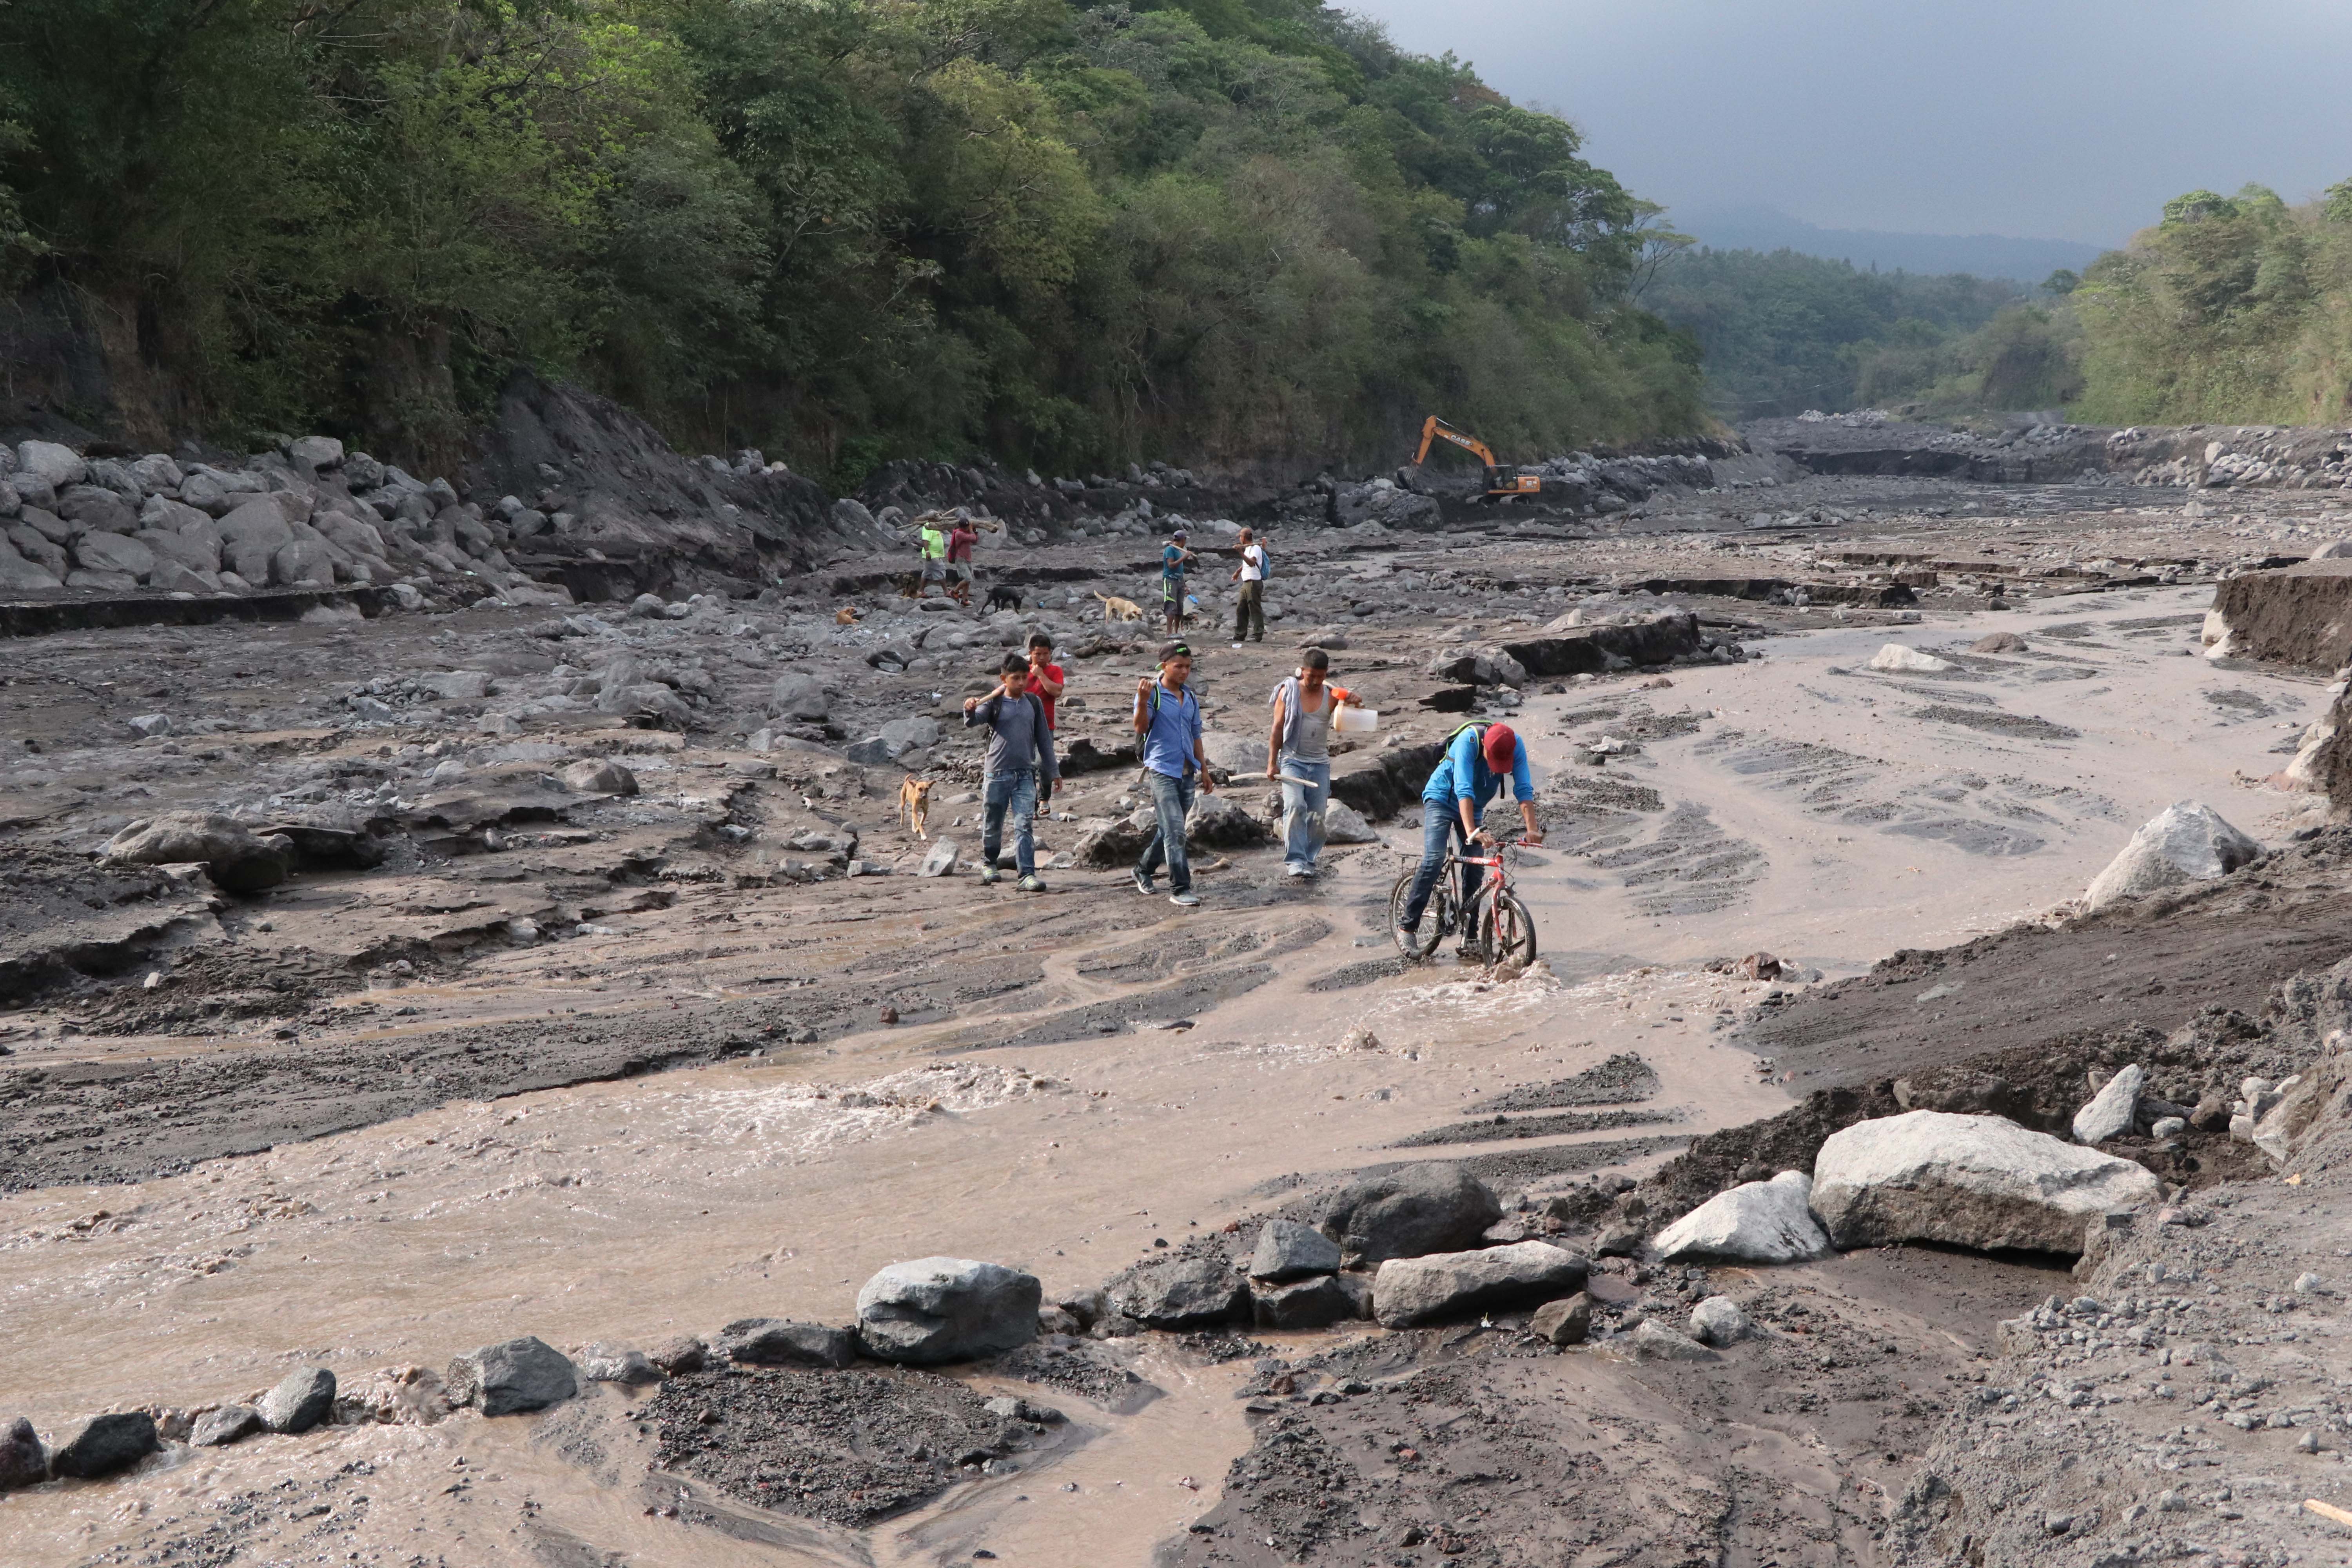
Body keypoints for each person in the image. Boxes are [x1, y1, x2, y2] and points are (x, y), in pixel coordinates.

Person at [1397, 721, 1544, 944]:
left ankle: (1471, 936)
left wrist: (1532, 829)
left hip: (1474, 806)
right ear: (1485, 744)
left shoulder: (1517, 745)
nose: (1496, 769)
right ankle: (1407, 926)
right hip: (1442, 799)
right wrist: (1473, 832)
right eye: (1494, 761)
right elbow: (1463, 787)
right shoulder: (1470, 740)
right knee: (1435, 859)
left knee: (1475, 868)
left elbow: (1523, 788)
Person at [963, 652, 1058, 891]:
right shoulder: (994, 702)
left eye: (1024, 678)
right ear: (1003, 679)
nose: (1021, 683)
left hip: (1025, 774)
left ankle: (1027, 874)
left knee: (1024, 824)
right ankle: (989, 864)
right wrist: (969, 708)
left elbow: (1044, 741)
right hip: (997, 773)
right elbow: (972, 721)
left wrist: (1054, 771)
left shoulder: (1033, 703)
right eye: (1015, 678)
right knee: (993, 822)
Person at [1131, 639, 1212, 907]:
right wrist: (1143, 702)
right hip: (1162, 770)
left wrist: (1205, 769)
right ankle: (1180, 888)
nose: (1184, 672)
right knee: (1177, 831)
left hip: (1187, 771)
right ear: (1164, 666)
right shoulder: (1152, 693)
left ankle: (1143, 869)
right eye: (1179, 667)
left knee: (1169, 829)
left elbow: (1196, 733)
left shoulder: (1189, 697)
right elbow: (1141, 728)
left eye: (1188, 667)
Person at [1265, 648, 1349, 878]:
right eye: (1311, 676)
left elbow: (1353, 713)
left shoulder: (1332, 696)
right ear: (1302, 671)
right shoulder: (1288, 692)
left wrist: (1354, 699)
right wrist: (1272, 763)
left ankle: (1309, 858)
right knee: (1294, 806)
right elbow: (1278, 727)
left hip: (1320, 763)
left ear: (1326, 674)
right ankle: (1295, 860)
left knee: (1318, 815)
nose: (1315, 681)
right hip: (1293, 759)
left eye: (1321, 677)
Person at [1025, 631, 1065, 808]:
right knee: (1027, 765)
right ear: (1030, 653)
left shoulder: (1055, 671)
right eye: (1037, 654)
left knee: (1043, 763)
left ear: (1050, 654)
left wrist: (1041, 675)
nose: (1041, 658)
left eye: (1045, 654)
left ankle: (1044, 798)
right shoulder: (1022, 671)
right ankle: (1031, 803)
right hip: (1023, 726)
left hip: (1045, 726)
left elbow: (1056, 692)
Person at [1229, 527, 1266, 646]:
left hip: (1254, 583)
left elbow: (1252, 563)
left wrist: (1240, 552)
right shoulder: (1248, 549)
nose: (1240, 539)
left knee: (1255, 609)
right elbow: (1246, 563)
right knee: (1241, 608)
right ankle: (1240, 634)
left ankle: (1258, 634)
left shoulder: (1256, 548)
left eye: (1240, 537)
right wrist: (1238, 571)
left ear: (1244, 538)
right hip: (1247, 583)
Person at [1160, 527, 1194, 635]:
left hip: (1179, 581)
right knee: (1171, 605)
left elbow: (1180, 571)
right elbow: (1171, 565)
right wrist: (1185, 557)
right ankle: (1169, 633)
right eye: (1185, 540)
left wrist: (1185, 586)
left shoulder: (1179, 551)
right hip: (1170, 580)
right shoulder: (1170, 550)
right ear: (1183, 540)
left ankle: (1177, 631)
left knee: (1180, 607)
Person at [946, 515, 980, 606]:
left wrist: (974, 530)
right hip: (960, 558)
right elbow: (973, 538)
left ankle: (964, 600)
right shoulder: (959, 534)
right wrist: (972, 529)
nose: (966, 528)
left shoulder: (966, 532)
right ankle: (955, 591)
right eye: (965, 527)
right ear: (961, 527)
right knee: (968, 579)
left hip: (967, 558)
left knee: (968, 580)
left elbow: (975, 541)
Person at [916, 515, 948, 597]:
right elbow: (926, 540)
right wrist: (928, 552)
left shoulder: (935, 526)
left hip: (935, 554)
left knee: (927, 573)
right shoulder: (928, 527)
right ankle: (946, 591)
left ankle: (921, 591)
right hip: (932, 554)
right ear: (932, 519)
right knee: (941, 570)